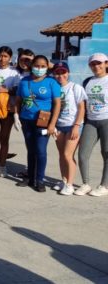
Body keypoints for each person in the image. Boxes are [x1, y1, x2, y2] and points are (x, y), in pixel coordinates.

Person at [15, 55, 61, 192]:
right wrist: (16, 115)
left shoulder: (51, 82)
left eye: (43, 66)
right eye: (36, 65)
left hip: (44, 121)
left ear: (47, 67)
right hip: (26, 120)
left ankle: (39, 180)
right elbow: (18, 100)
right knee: (31, 149)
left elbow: (57, 104)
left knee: (41, 150)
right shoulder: (24, 81)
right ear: (31, 66)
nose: (39, 68)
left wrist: (52, 124)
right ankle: (30, 177)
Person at [76, 53, 108, 196]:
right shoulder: (87, 81)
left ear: (106, 64)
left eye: (99, 63)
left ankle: (104, 186)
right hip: (91, 121)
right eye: (93, 64)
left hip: (106, 121)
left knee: (106, 154)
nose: (96, 66)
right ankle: (85, 184)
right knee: (83, 153)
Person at [51, 62, 86, 195]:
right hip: (59, 125)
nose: (60, 75)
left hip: (73, 125)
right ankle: (64, 180)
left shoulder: (75, 87)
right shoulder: (54, 88)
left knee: (67, 154)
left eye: (63, 72)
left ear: (68, 73)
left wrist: (76, 126)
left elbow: (82, 108)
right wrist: (52, 125)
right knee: (61, 155)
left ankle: (70, 184)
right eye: (57, 73)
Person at [0, 46, 21, 177]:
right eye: (0, 56)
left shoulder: (14, 73)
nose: (2, 59)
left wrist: (5, 90)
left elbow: (17, 90)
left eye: (5, 56)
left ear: (10, 58)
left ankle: (2, 166)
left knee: (4, 138)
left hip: (8, 109)